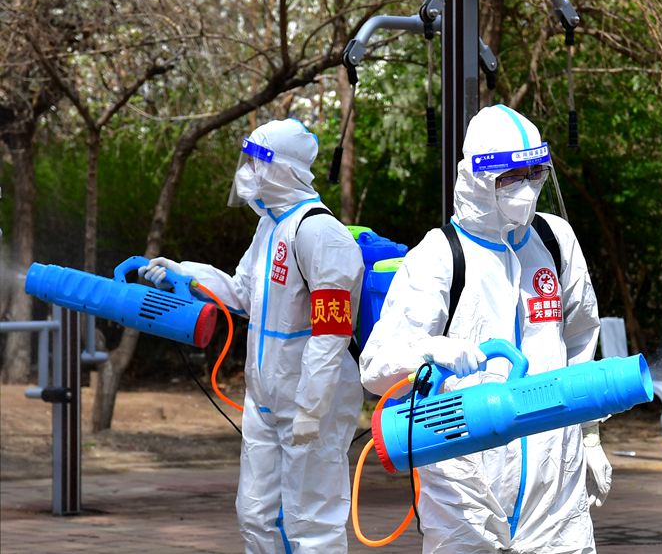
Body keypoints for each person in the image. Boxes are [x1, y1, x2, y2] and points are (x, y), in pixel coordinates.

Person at [360, 104, 610, 553]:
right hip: (463, 487)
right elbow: (376, 368)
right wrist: (430, 351)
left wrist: (588, 431)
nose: (527, 187)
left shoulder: (554, 241)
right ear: (478, 178)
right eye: (511, 176)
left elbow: (580, 338)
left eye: (535, 173)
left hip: (554, 482)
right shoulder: (439, 256)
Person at [140, 119, 364, 554]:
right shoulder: (270, 226)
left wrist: (312, 406)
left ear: (284, 168)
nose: (246, 171)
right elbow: (243, 294)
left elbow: (331, 331)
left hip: (309, 401)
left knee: (311, 522)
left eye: (255, 162)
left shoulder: (319, 233)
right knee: (256, 514)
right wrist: (185, 275)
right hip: (265, 399)